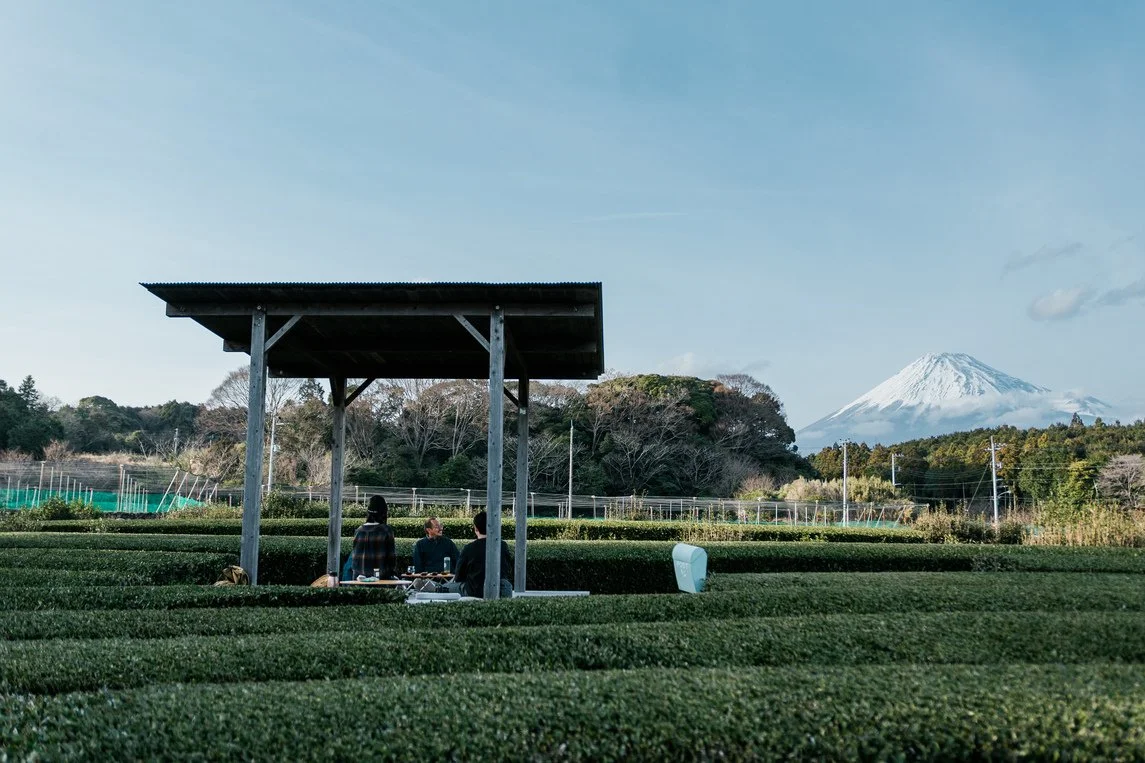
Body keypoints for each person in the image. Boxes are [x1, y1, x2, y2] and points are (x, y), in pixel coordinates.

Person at [450, 510, 513, 598]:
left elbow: (459, 576)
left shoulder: (469, 548)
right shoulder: (502, 546)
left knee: (446, 586)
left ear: (475, 528)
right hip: (500, 590)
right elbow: (507, 569)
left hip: (473, 590)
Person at [350, 495, 396, 579]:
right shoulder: (386, 531)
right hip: (380, 580)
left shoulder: (359, 531)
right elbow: (391, 560)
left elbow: (355, 558)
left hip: (358, 580)